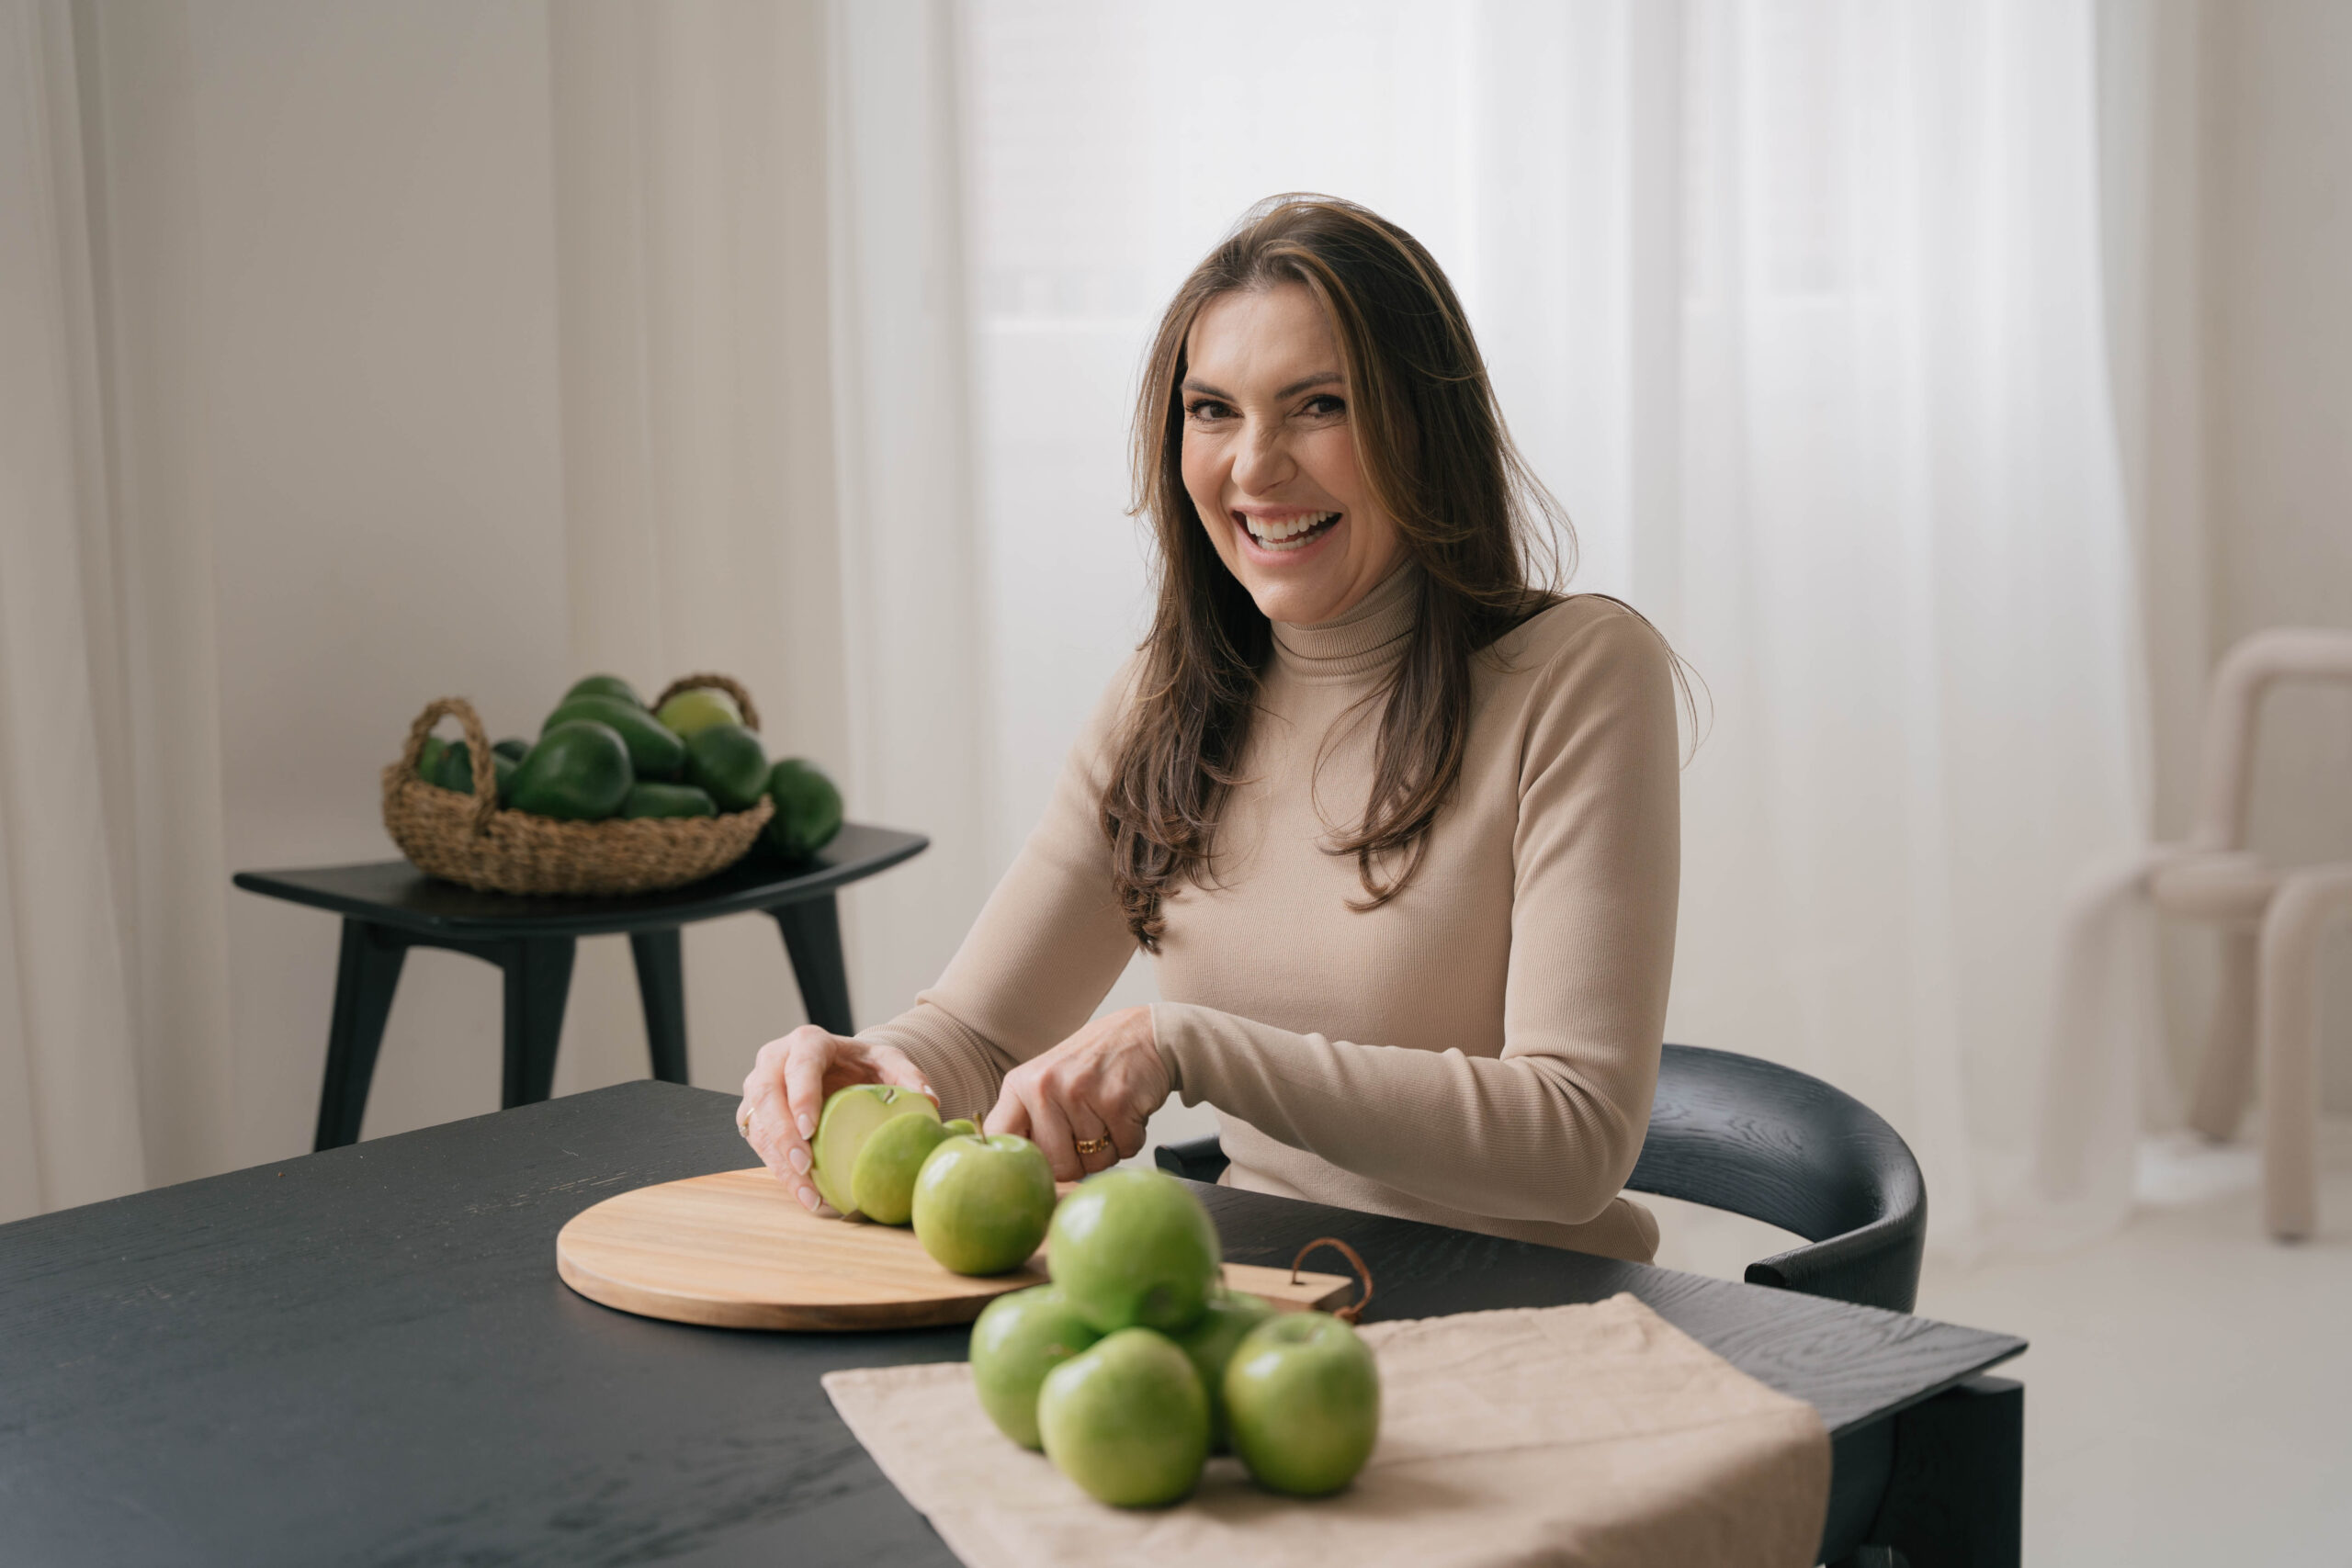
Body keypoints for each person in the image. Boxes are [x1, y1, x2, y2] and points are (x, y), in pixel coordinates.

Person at [738, 194, 1681, 1259]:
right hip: (1250, 1299)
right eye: (1213, 410)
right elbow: (981, 1033)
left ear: (1425, 424)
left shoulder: (1576, 675)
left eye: (1318, 405)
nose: (1254, 466)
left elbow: (1575, 1139)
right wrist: (875, 1066)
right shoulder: (1170, 699)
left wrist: (1193, 1046)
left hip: (1540, 1324)